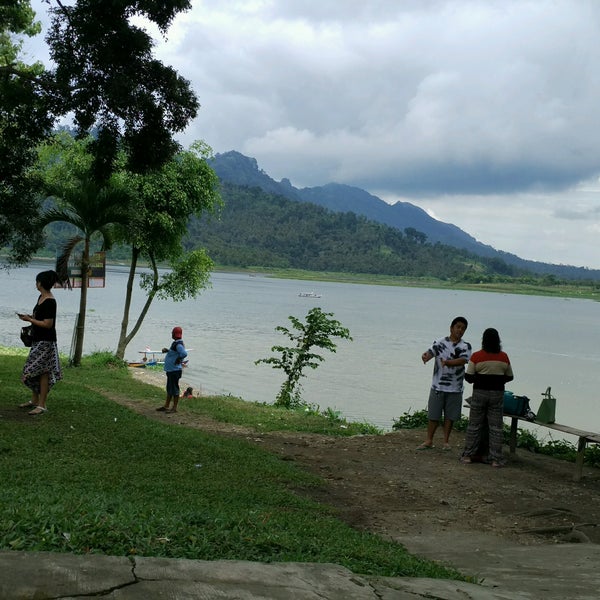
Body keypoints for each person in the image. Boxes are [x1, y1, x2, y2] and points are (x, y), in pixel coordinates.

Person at [460, 328, 514, 468]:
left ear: (483, 340)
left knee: (474, 425)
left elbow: (469, 376)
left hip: (479, 393)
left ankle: (468, 455)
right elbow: (510, 376)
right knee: (496, 427)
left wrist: (480, 377)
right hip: (497, 395)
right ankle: (496, 458)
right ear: (498, 340)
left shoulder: (477, 356)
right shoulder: (504, 357)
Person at [418, 316, 471, 451]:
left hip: (455, 387)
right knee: (433, 415)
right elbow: (430, 352)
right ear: (451, 328)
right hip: (437, 385)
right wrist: (425, 357)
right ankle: (429, 440)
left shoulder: (465, 346)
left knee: (450, 416)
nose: (460, 330)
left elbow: (463, 360)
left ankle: (446, 442)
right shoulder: (440, 342)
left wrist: (447, 362)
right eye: (458, 327)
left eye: (463, 328)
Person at [17, 270, 63, 416]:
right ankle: (35, 400)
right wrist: (29, 317)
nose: (36, 284)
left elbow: (48, 324)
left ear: (41, 283)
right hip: (37, 340)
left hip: (46, 342)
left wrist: (30, 320)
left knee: (40, 371)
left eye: (37, 281)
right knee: (36, 371)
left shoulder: (50, 301)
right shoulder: (41, 297)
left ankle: (42, 405)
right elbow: (39, 317)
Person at [156, 326, 188, 413]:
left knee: (174, 389)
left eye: (172, 333)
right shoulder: (176, 343)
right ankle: (166, 405)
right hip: (171, 370)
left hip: (175, 370)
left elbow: (184, 353)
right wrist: (168, 350)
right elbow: (175, 352)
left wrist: (179, 358)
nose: (172, 334)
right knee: (170, 388)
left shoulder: (178, 344)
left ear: (174, 334)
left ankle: (174, 408)